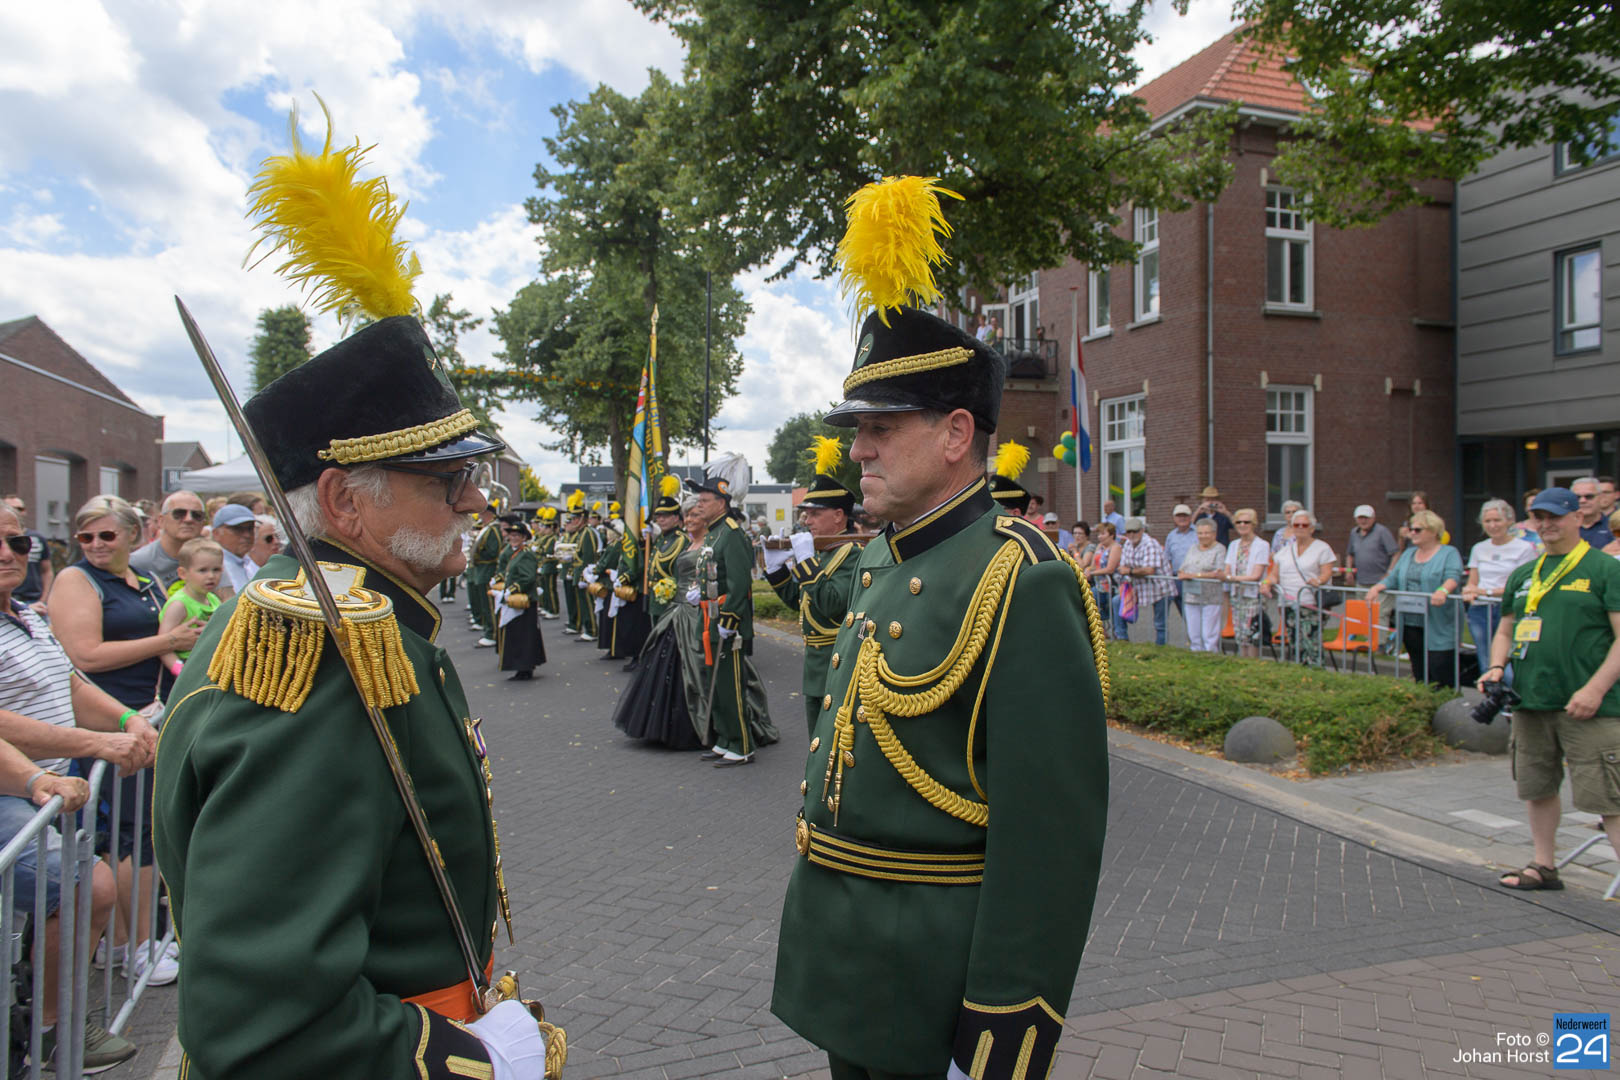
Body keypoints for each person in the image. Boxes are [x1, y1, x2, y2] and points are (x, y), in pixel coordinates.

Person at [153, 115, 560, 1078]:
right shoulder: (328, 652)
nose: (474, 501)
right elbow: (264, 1025)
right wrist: (466, 1060)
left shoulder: (368, 621)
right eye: (446, 481)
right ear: (343, 501)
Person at [773, 175, 1109, 1080]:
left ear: (957, 434)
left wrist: (1004, 1027)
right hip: (848, 964)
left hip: (934, 981)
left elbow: (1048, 840)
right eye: (858, 429)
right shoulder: (879, 562)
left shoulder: (1022, 579)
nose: (858, 449)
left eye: (881, 427)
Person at [1, 501, 143, 1072]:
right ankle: (52, 1029)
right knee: (85, 883)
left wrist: (126, 719)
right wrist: (91, 745)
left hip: (44, 787)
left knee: (84, 883)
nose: (8, 554)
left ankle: (47, 1016)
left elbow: (70, 683)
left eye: (17, 542)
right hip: (16, 792)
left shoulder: (26, 615)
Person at [48, 495, 197, 987]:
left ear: (133, 535)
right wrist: (167, 642)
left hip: (146, 719)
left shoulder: (144, 580)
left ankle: (128, 941)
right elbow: (84, 656)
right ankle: (135, 948)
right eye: (85, 536)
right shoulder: (76, 580)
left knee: (144, 832)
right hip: (106, 727)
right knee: (128, 837)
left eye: (106, 535)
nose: (94, 544)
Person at [1482, 487, 1620, 892]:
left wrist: (1595, 690)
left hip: (1591, 706)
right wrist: (1496, 667)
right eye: (1539, 517)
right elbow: (1506, 629)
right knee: (1537, 786)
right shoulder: (1525, 574)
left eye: (1555, 516)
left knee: (1609, 796)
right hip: (1532, 700)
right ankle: (1543, 865)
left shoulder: (1605, 569)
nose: (1546, 525)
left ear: (1578, 517)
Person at [765, 436, 863, 735]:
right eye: (806, 514)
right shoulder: (823, 553)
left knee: (834, 744)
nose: (807, 521)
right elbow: (802, 602)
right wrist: (776, 570)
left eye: (815, 514)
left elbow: (832, 603)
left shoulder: (852, 553)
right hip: (816, 665)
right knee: (816, 742)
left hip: (839, 663)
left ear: (839, 516)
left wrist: (806, 562)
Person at [686, 452, 777, 765]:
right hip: (709, 619)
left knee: (730, 685)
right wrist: (698, 593)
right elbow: (712, 574)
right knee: (715, 683)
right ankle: (724, 738)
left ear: (722, 502)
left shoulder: (733, 534)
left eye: (705, 499)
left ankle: (741, 745)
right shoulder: (715, 532)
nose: (699, 504)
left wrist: (730, 619)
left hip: (726, 624)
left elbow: (739, 584)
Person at [613, 496, 707, 748]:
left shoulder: (688, 541)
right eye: (687, 515)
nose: (689, 520)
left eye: (694, 515)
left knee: (691, 665)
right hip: (673, 606)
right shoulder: (674, 542)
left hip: (692, 611)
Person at [1366, 510, 1465, 687]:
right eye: (1411, 529)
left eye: (1418, 529)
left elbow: (1453, 576)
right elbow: (1393, 577)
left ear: (1433, 531)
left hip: (1438, 620)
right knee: (1419, 668)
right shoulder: (1408, 554)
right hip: (1411, 621)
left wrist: (1443, 590)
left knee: (1440, 667)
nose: (1412, 533)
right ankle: (1423, 698)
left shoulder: (1448, 553)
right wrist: (1377, 587)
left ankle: (1446, 701)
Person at [1461, 500, 1538, 669]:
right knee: (1485, 657)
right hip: (1480, 610)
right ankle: (1489, 685)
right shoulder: (1478, 548)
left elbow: (1522, 585)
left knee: (1508, 658)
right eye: (1487, 521)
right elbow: (1472, 581)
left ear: (1509, 521)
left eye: (1497, 520)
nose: (1492, 525)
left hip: (1509, 608)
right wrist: (1469, 591)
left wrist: (1486, 592)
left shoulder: (1524, 548)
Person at [1263, 508, 1337, 666]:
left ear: (1312, 528)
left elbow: (1327, 573)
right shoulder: (1284, 551)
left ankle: (1316, 671)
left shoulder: (1322, 548)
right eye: (1296, 525)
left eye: (1304, 525)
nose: (1300, 528)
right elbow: (1274, 575)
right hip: (1289, 604)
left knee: (1311, 643)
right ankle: (1300, 673)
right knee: (1295, 642)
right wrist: (1266, 583)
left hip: (1312, 604)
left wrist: (1319, 580)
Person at [157, 538, 225, 678]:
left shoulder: (213, 599)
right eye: (202, 570)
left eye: (216, 570)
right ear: (183, 573)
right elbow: (163, 646)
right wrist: (181, 673)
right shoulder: (179, 604)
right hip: (188, 667)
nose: (211, 576)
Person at [129, 490, 207, 596]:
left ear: (203, 523)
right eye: (179, 514)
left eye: (197, 515)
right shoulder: (138, 562)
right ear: (161, 521)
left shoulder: (212, 559)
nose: (189, 519)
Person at [496, 519, 545, 681]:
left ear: (524, 537)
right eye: (512, 535)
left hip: (524, 599)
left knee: (524, 635)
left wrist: (513, 588)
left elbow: (528, 577)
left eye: (517, 535)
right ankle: (521, 667)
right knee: (517, 634)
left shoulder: (526, 554)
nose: (514, 538)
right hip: (516, 598)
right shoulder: (515, 553)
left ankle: (525, 668)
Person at [1118, 517, 1174, 645]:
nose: (1132, 534)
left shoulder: (1150, 544)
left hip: (1161, 589)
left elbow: (1149, 570)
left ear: (1142, 530)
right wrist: (1130, 573)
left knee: (1160, 623)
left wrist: (1130, 571)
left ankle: (1161, 649)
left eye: (1135, 531)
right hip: (1140, 587)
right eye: (1129, 532)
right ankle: (1122, 639)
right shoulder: (1127, 544)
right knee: (1117, 602)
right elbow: (1122, 567)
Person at [1225, 509, 1271, 658]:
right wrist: (1228, 577)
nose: (1242, 525)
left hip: (1253, 596)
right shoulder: (1233, 545)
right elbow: (1227, 570)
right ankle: (1243, 663)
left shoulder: (1262, 545)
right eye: (1239, 522)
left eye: (1246, 522)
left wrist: (1231, 578)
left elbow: (1256, 575)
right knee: (1240, 635)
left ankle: (1253, 664)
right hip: (1237, 595)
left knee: (1252, 635)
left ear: (1253, 524)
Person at [1178, 519, 1226, 652]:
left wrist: (1194, 575)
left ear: (1214, 534)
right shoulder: (1193, 548)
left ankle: (1210, 657)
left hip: (1210, 598)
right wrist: (1183, 574)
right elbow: (1183, 568)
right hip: (1191, 597)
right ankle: (1196, 658)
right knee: (1194, 634)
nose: (1203, 536)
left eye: (1206, 533)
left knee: (1208, 635)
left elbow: (1218, 572)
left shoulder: (1219, 549)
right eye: (1200, 533)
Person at [5, 494, 55, 615]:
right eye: (11, 508)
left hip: (34, 600)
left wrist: (43, 600)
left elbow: (47, 571)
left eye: (20, 508)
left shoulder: (37, 538)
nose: (7, 555)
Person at [209, 503, 258, 601]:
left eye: (250, 528)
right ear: (216, 533)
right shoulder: (213, 566)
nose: (247, 535)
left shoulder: (248, 562)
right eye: (237, 529)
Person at [1343, 504, 1398, 589]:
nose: (1363, 521)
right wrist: (1348, 572)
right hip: (1361, 583)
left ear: (1373, 518)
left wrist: (1389, 574)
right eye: (1360, 518)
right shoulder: (1354, 533)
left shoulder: (1382, 531)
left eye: (1366, 518)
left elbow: (1395, 554)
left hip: (1381, 583)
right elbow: (1350, 555)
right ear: (1355, 519)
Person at [1086, 521, 1122, 638]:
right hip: (1100, 585)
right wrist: (1087, 570)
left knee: (1113, 610)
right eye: (1098, 534)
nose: (1099, 537)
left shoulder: (1116, 547)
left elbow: (1110, 568)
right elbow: (1093, 565)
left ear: (1111, 535)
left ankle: (1119, 635)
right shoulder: (1100, 546)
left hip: (1113, 586)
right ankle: (1101, 632)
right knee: (1092, 604)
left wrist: (1092, 573)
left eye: (1103, 534)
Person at [1163, 504, 1197, 619]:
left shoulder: (1198, 533)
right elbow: (1167, 558)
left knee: (1194, 611)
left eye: (1185, 515)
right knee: (1183, 611)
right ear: (1174, 518)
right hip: (1177, 578)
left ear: (1190, 517)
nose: (1182, 518)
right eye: (1179, 516)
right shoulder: (1171, 536)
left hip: (1194, 578)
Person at [1573, 477, 1613, 549]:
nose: (1582, 501)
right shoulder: (1563, 527)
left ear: (1600, 498)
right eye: (1577, 497)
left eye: (1589, 496)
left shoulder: (1614, 526)